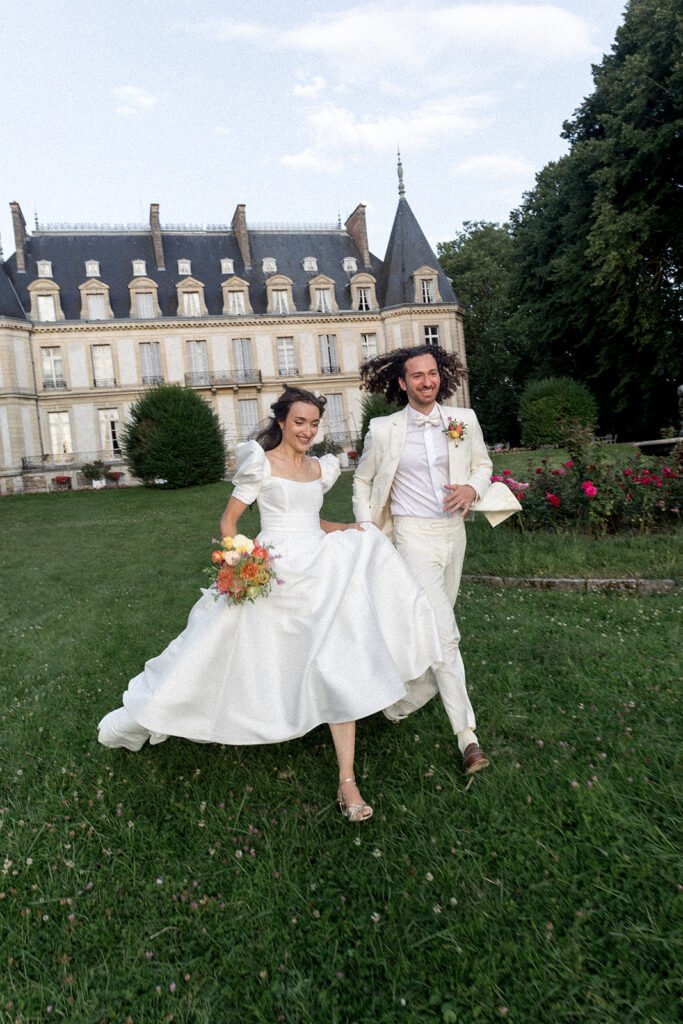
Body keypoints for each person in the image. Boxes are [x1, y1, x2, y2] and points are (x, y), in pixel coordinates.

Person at [98, 386, 442, 822]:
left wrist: (351, 529)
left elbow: (313, 521)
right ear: (281, 421)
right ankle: (165, 711)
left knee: (340, 658)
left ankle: (347, 780)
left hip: (321, 567)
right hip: (273, 568)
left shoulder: (320, 468)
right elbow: (229, 520)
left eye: (315, 423)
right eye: (300, 422)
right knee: (218, 651)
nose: (307, 431)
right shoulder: (261, 463)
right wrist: (240, 558)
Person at [353, 345, 500, 775]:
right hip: (411, 537)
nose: (426, 382)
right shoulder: (384, 430)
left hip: (454, 536)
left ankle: (397, 700)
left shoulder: (463, 420)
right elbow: (362, 481)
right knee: (446, 635)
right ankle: (468, 739)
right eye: (416, 376)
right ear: (402, 383)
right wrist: (366, 527)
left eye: (432, 374)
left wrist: (472, 489)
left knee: (431, 633)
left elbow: (484, 465)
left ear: (441, 376)